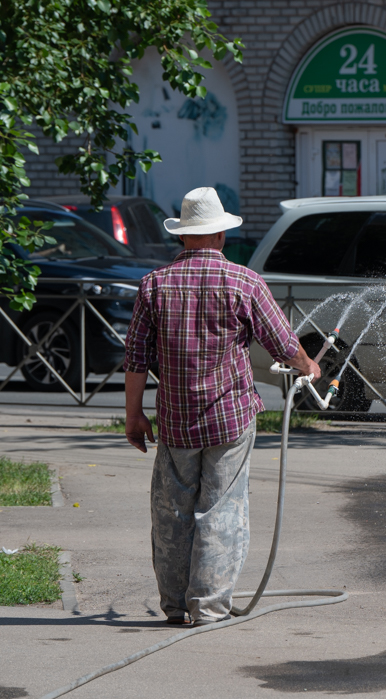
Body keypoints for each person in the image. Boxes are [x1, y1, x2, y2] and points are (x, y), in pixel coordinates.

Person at [123, 187, 320, 626]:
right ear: (221, 236)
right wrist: (309, 366)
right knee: (222, 509)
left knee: (172, 512)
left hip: (175, 421)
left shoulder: (153, 284)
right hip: (229, 418)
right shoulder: (244, 282)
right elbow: (285, 345)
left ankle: (175, 606)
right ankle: (209, 606)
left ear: (185, 236)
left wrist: (133, 415)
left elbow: (136, 358)